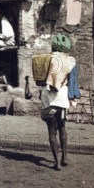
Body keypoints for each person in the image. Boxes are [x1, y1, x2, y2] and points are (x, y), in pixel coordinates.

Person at [39, 33, 77, 170]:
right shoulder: (71, 60)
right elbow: (73, 81)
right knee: (62, 127)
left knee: (51, 131)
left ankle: (56, 162)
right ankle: (65, 157)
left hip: (50, 97)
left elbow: (41, 78)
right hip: (63, 96)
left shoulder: (49, 58)